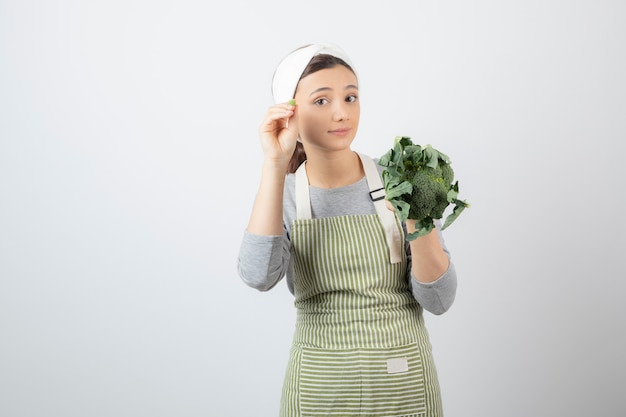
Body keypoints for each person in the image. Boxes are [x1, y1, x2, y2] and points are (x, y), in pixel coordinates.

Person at [237, 43, 457, 417]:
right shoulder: (283, 194)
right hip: (320, 388)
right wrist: (274, 164)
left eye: (350, 97)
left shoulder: (400, 179)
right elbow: (258, 275)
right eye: (321, 101)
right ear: (289, 113)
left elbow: (439, 300)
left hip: (402, 383)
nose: (341, 113)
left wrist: (417, 220)